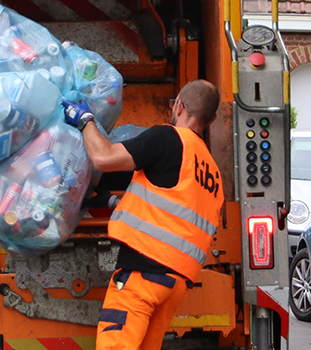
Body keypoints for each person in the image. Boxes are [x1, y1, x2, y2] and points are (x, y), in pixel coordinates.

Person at [62, 79, 225, 350]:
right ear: (212, 120)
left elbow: (104, 157)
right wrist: (113, 201)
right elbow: (170, 208)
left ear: (180, 106)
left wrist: (84, 119)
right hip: (175, 282)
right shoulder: (211, 171)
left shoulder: (169, 138)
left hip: (144, 274)